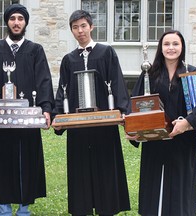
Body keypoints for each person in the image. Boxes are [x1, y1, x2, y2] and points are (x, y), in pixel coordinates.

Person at [0, 3, 54, 216]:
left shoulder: (35, 50)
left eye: (20, 19)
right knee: (1, 160)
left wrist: (46, 108)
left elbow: (44, 80)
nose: (16, 23)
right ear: (6, 22)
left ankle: (24, 208)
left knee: (27, 160)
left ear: (25, 22)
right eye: (13, 18)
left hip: (28, 119)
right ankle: (4, 208)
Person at [53, 10, 131, 216]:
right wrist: (58, 116)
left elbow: (117, 82)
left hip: (104, 126)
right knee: (80, 171)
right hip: (78, 128)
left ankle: (107, 210)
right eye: (75, 27)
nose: (80, 31)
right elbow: (63, 89)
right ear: (71, 31)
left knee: (105, 169)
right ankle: (82, 209)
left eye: (83, 26)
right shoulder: (68, 60)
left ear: (91, 27)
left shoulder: (106, 53)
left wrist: (122, 111)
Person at [127, 30, 196, 215]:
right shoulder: (150, 74)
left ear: (182, 47)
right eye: (166, 44)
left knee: (181, 190)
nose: (171, 48)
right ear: (160, 48)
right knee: (153, 186)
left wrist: (187, 123)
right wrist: (133, 127)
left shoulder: (192, 75)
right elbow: (136, 101)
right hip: (155, 141)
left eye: (175, 44)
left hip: (183, 142)